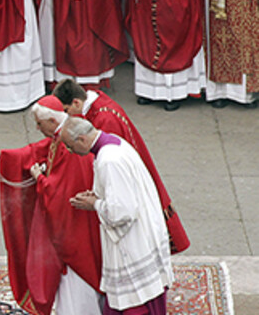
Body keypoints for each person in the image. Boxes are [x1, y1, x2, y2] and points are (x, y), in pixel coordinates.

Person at [0, 95, 102, 315]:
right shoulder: (64, 133)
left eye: (40, 124)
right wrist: (2, 155)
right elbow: (37, 150)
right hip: (74, 223)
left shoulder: (72, 145)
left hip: (73, 227)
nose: (38, 129)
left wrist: (40, 179)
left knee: (76, 283)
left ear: (52, 120)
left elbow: (64, 192)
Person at [62, 116, 174, 315]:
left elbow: (122, 211)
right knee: (125, 306)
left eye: (71, 146)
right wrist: (99, 196)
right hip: (143, 235)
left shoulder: (108, 160)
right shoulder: (114, 145)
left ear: (81, 139)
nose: (72, 152)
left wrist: (95, 204)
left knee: (134, 309)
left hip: (132, 246)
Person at [53, 77, 191, 253]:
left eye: (67, 111)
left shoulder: (106, 119)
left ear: (76, 102)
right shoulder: (95, 104)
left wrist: (97, 197)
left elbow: (112, 166)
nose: (68, 117)